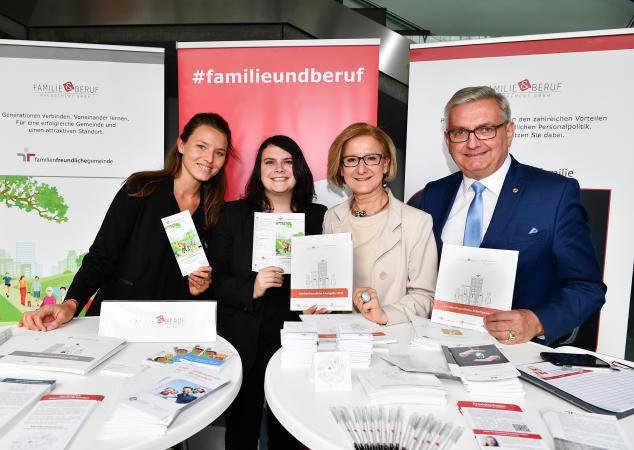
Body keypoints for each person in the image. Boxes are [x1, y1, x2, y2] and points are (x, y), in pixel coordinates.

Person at [416, 86, 605, 346]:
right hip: (438, 346)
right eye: (460, 132)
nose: (472, 143)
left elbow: (586, 287)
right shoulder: (434, 194)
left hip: (518, 357)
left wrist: (537, 321)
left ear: (509, 131)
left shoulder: (553, 195)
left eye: (485, 129)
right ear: (447, 140)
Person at [19, 112, 233, 332]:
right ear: (181, 145)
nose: (209, 158)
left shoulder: (214, 212)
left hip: (170, 327)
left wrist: (198, 288)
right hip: (119, 320)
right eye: (201, 146)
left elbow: (205, 280)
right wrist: (71, 303)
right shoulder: (142, 188)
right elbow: (102, 256)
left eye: (219, 153)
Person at [210, 135, 327, 450]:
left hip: (296, 339)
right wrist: (253, 287)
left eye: (288, 162)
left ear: (299, 169)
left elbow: (328, 274)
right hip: (244, 340)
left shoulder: (318, 217)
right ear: (258, 170)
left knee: (290, 430)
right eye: (270, 162)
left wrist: (325, 303)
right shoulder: (232, 214)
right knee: (241, 430)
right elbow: (212, 281)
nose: (279, 169)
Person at [323, 123, 437, 325]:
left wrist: (385, 315)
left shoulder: (417, 221)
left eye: (371, 158)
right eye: (351, 160)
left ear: (385, 164)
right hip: (342, 338)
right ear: (341, 168)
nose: (361, 168)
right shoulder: (332, 217)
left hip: (392, 340)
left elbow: (424, 296)